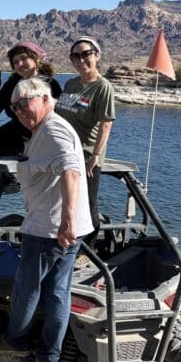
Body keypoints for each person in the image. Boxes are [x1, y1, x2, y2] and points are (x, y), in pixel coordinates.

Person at [2, 77, 93, 362]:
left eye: (24, 103)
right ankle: (48, 356)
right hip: (61, 229)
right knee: (57, 292)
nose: (19, 110)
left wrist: (66, 222)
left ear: (44, 99)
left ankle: (15, 345)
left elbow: (73, 172)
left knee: (26, 290)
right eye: (14, 106)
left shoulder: (54, 130)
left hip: (48, 229)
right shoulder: (44, 131)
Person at [55, 36, 116, 249]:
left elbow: (106, 124)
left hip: (87, 155)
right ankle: (65, 243)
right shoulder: (71, 83)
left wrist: (96, 157)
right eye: (75, 56)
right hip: (64, 153)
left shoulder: (102, 87)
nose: (81, 60)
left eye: (85, 54)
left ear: (96, 56)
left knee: (88, 205)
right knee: (64, 202)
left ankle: (87, 250)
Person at [0, 41, 62, 161]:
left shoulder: (50, 84)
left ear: (36, 59)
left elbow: (58, 116)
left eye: (24, 58)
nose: (20, 64)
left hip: (41, 134)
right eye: (15, 62)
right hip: (16, 131)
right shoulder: (13, 83)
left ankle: (25, 164)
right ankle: (17, 165)